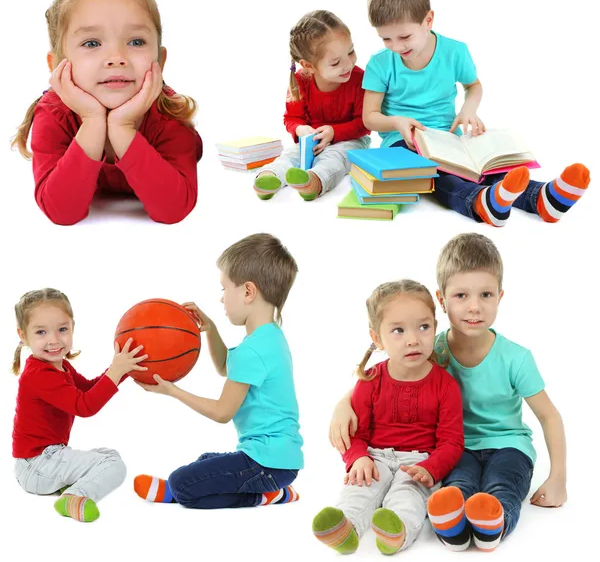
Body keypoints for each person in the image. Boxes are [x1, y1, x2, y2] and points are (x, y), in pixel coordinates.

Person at [329, 233, 567, 551]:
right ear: (441, 300)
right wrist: (343, 403)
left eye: (485, 294)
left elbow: (549, 415)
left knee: (502, 484)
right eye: (460, 296)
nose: (474, 307)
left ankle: (493, 526)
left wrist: (558, 478)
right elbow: (387, 378)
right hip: (455, 449)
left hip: (508, 445)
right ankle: (453, 530)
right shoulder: (431, 349)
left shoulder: (516, 358)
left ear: (500, 296)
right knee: (459, 486)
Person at [362, 0, 589, 226]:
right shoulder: (380, 64)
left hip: (447, 138)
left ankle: (542, 199)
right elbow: (370, 117)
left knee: (484, 167)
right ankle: (478, 202)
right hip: (403, 142)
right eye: (386, 39)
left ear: (428, 20)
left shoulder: (454, 51)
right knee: (435, 173)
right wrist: (397, 122)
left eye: (404, 36)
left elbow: (474, 86)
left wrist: (468, 110)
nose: (396, 46)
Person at [11, 0, 202, 225]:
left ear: (160, 61)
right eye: (92, 43)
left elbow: (173, 210)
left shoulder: (169, 113)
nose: (116, 58)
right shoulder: (53, 114)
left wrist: (122, 127)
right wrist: (92, 121)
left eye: (136, 41)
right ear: (57, 65)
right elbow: (62, 213)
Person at [133, 233, 304, 509]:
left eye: (224, 288)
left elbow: (222, 413)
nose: (222, 299)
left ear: (248, 292)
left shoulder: (254, 350)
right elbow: (225, 367)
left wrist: (172, 390)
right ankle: (276, 491)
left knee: (182, 483)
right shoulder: (269, 338)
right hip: (276, 461)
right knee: (204, 462)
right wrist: (210, 329)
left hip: (267, 464)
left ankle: (265, 495)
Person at [313, 280, 463, 555]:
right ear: (377, 338)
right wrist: (358, 458)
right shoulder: (370, 380)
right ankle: (344, 528)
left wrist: (431, 468)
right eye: (398, 330)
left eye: (423, 327)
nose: (413, 339)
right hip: (375, 457)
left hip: (420, 461)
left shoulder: (446, 385)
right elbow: (356, 433)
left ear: (435, 328)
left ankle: (397, 532)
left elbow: (452, 442)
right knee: (359, 489)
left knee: (409, 497)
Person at [12, 288, 147, 522]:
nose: (54, 340)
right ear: (23, 335)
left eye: (62, 329)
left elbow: (87, 388)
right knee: (114, 465)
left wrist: (123, 369)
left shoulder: (60, 366)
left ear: (72, 327)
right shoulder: (38, 374)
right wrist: (116, 372)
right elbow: (84, 406)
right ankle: (74, 496)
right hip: (37, 465)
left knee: (109, 454)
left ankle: (69, 488)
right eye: (41, 332)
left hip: (46, 460)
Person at [254, 10, 370, 201]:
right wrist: (301, 129)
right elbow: (291, 118)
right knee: (290, 156)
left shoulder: (359, 79)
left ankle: (314, 182)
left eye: (350, 52)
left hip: (351, 140)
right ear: (309, 66)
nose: (348, 64)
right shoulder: (301, 81)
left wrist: (334, 133)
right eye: (335, 63)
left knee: (335, 160)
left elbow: (364, 123)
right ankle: (269, 177)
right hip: (312, 142)